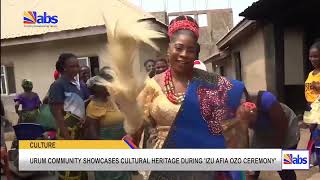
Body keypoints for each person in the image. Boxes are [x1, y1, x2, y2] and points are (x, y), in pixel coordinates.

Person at [123, 15, 250, 180]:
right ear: (168, 50)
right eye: (179, 47)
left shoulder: (211, 83)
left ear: (196, 53)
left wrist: (242, 116)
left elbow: (227, 123)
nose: (184, 54)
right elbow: (136, 129)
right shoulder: (152, 85)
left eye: (190, 50)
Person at [85, 71, 131, 180]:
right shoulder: (93, 107)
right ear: (98, 88)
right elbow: (94, 136)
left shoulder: (112, 100)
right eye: (108, 85)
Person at [48, 53, 87, 180]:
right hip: (67, 133)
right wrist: (67, 138)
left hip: (79, 131)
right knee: (69, 170)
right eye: (74, 66)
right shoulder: (58, 85)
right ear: (64, 68)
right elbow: (56, 113)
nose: (78, 68)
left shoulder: (76, 84)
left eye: (78, 65)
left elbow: (77, 106)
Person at [245, 91, 299, 180]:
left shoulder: (266, 99)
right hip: (263, 129)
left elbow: (282, 126)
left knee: (283, 165)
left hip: (286, 128)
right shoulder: (233, 111)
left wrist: (276, 152)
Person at [305, 40, 320, 169]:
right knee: (313, 135)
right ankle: (315, 158)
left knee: (318, 136)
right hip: (311, 107)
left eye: (316, 56)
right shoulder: (311, 73)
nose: (312, 59)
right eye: (311, 56)